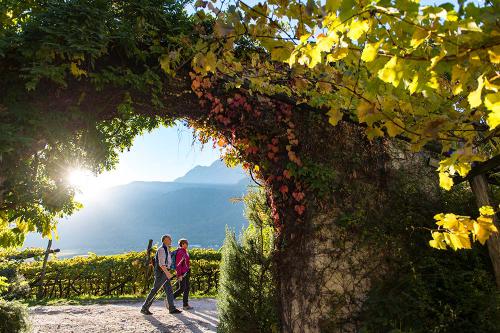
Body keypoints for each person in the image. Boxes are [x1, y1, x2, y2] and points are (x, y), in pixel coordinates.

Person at [141, 234, 181, 315]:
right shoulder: (162, 250)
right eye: (169, 239)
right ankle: (144, 308)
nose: (171, 240)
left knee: (169, 290)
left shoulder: (167, 249)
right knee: (155, 290)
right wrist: (167, 273)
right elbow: (161, 264)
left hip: (164, 272)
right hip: (162, 273)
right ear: (165, 240)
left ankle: (172, 308)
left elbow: (168, 262)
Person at [173, 238, 192, 310]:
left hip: (186, 272)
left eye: (187, 243)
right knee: (182, 288)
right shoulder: (180, 252)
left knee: (187, 288)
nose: (187, 245)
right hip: (182, 273)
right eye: (186, 243)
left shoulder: (185, 251)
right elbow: (178, 265)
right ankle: (169, 299)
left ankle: (185, 305)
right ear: (182, 244)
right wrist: (179, 275)